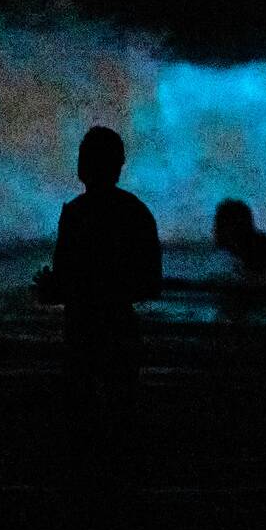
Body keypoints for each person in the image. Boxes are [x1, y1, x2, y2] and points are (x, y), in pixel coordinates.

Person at [33, 126, 161, 477]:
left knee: (81, 426)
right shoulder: (136, 212)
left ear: (83, 167)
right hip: (120, 330)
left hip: (83, 333)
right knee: (123, 421)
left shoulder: (76, 214)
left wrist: (57, 289)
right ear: (119, 166)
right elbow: (150, 283)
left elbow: (65, 281)